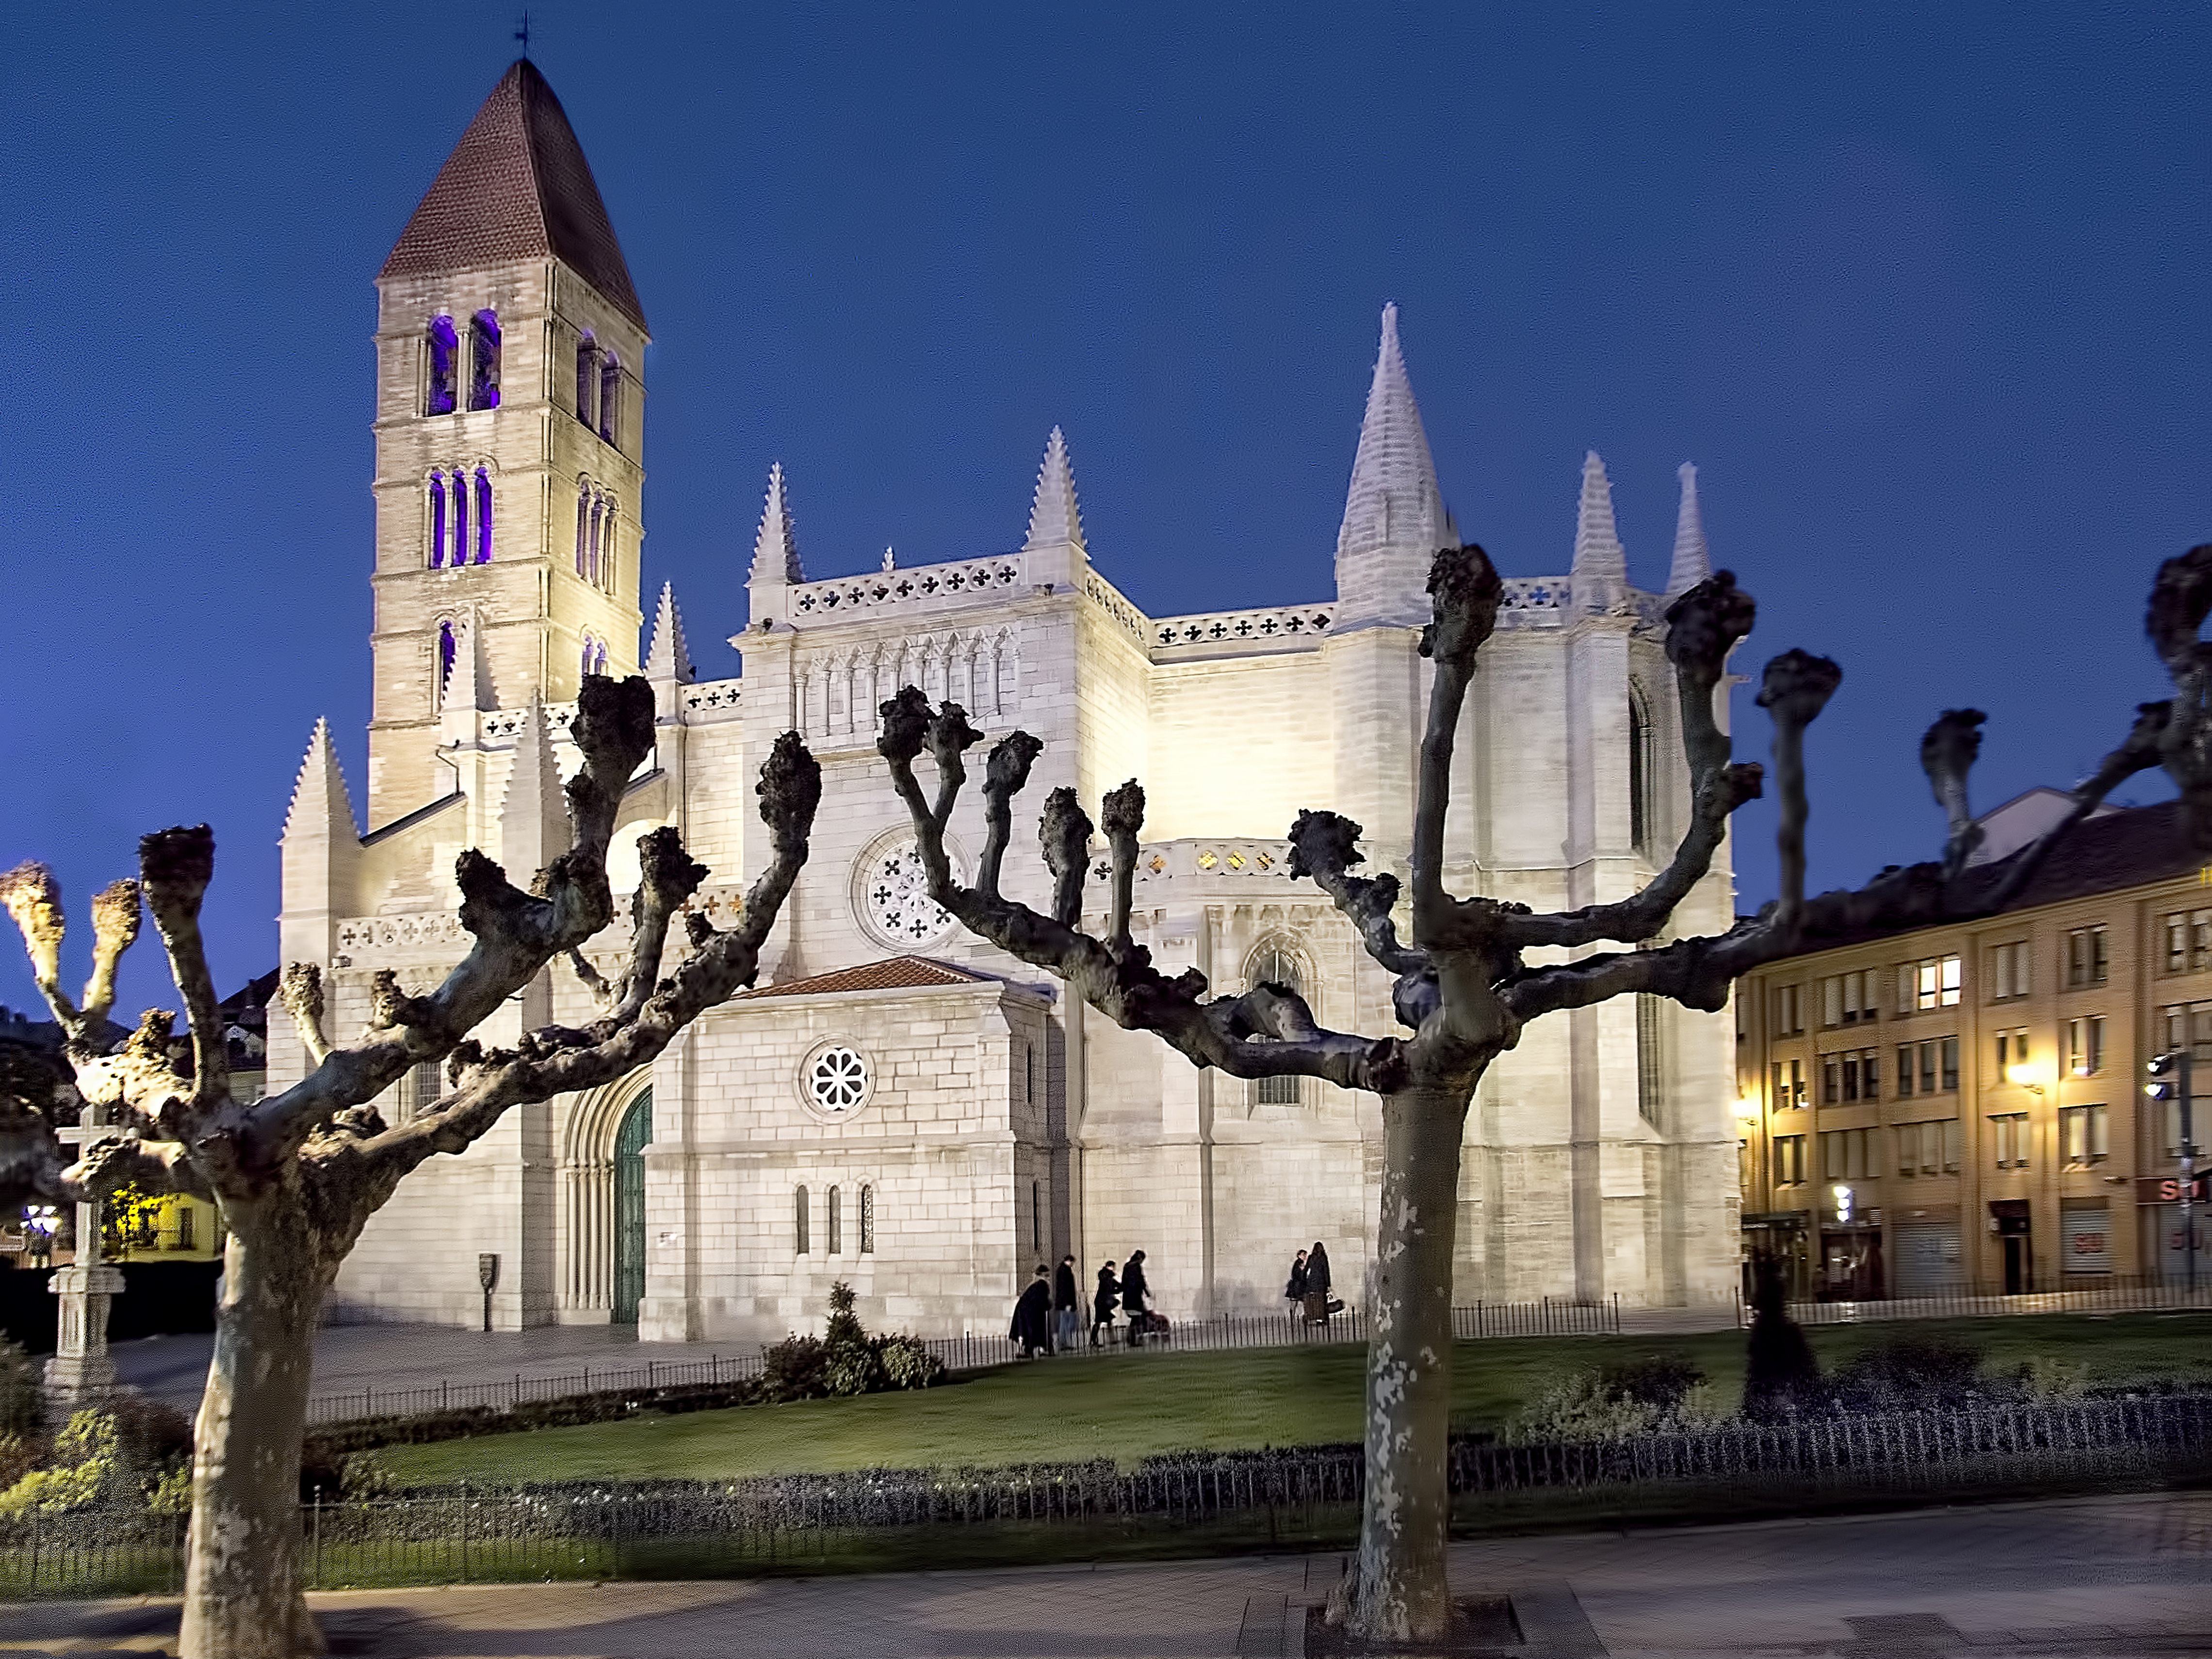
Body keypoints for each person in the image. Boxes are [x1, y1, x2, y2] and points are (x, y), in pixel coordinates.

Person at [1009, 1264, 1053, 1358]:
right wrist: (1049, 1305)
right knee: (1034, 1330)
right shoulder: (1042, 1285)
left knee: (1030, 1330)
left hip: (1026, 1311)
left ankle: (1032, 1350)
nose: (1049, 1278)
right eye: (1048, 1276)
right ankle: (1036, 1350)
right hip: (1029, 1312)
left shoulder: (1035, 1285)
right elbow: (1042, 1301)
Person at [1120, 1249, 1150, 1348]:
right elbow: (1140, 1281)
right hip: (1134, 1297)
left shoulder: (1127, 1266)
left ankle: (1132, 1338)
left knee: (1135, 1319)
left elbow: (1124, 1282)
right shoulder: (1136, 1266)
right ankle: (1132, 1339)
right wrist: (1147, 1292)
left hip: (1128, 1297)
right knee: (1137, 1319)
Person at [1053, 1254, 1080, 1353]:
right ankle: (1063, 1343)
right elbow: (1065, 1289)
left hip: (1065, 1302)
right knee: (1065, 1323)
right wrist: (1068, 1303)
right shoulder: (1065, 1271)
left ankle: (1064, 1343)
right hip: (1066, 1303)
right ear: (1070, 1261)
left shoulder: (1063, 1270)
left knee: (1066, 1323)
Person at [1090, 1258, 1120, 1347]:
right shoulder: (1106, 1276)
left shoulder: (1107, 1277)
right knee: (1099, 1321)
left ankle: (1111, 1339)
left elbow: (1115, 1287)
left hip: (1102, 1302)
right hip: (1102, 1303)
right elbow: (1110, 1288)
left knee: (1106, 1321)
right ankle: (1094, 1341)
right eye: (1113, 1268)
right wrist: (1117, 1290)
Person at [1304, 1240, 1334, 1325]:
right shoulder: (1323, 1258)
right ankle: (1322, 1319)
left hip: (1312, 1282)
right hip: (1321, 1282)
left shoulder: (1311, 1257)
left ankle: (1313, 1318)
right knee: (1322, 1302)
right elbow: (1326, 1271)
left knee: (1313, 1301)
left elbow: (1307, 1270)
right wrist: (1328, 1285)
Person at [1284, 1248, 1309, 1318]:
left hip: (1298, 1286)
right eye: (1303, 1255)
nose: (1305, 1257)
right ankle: (1293, 1317)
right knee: (1294, 1304)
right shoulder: (1299, 1263)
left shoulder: (1301, 1263)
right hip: (1297, 1287)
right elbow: (1297, 1275)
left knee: (1295, 1303)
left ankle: (1294, 1317)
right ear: (1299, 1256)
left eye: (1305, 1255)